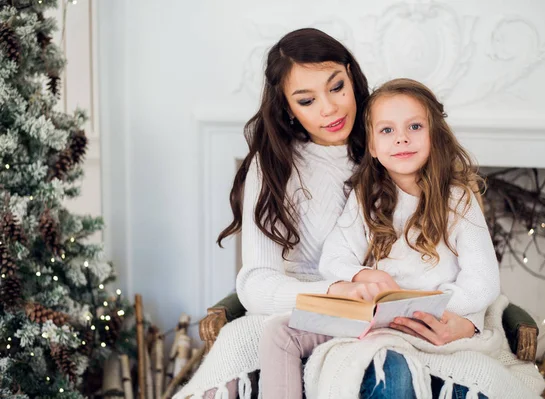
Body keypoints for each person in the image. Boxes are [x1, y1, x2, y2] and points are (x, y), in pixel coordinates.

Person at [174, 30, 477, 399]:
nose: (329, 109)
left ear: (351, 76)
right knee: (243, 357)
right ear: (287, 107)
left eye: (336, 87)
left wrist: (461, 318)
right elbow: (255, 283)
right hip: (304, 308)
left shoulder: (390, 143)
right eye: (306, 100)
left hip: (389, 313)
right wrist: (337, 290)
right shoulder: (270, 168)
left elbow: (450, 249)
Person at [259, 78, 500, 399]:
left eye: (414, 126)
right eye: (387, 130)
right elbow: (333, 259)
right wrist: (362, 275)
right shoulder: (368, 198)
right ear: (371, 146)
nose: (401, 139)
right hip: (372, 318)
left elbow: (483, 282)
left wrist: (430, 308)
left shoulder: (458, 200)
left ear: (435, 135)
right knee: (279, 330)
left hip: (425, 322)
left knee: (390, 365)